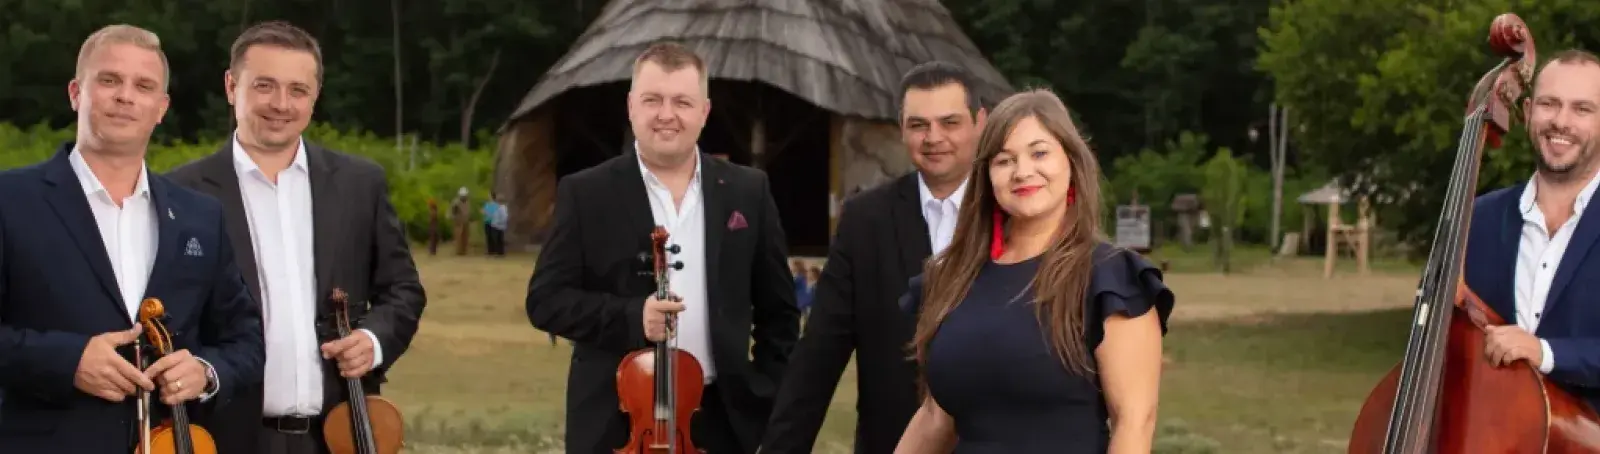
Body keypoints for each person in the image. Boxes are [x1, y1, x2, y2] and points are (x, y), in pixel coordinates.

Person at [0, 24, 266, 452]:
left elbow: (245, 338)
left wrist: (205, 371)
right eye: (109, 80)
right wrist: (67, 361)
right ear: (76, 93)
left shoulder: (201, 216)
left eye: (143, 86)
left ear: (161, 108)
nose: (125, 96)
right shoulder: (10, 200)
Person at [525, 40, 800, 454]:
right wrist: (632, 317)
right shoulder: (585, 193)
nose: (666, 115)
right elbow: (545, 302)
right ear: (631, 106)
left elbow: (779, 314)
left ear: (704, 111)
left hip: (722, 424)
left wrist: (764, 396)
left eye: (682, 102)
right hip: (616, 424)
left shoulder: (748, 191)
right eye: (652, 100)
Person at [166, 20, 427, 454]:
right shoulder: (178, 192)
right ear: (231, 86)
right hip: (225, 437)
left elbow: (403, 289)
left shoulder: (359, 184)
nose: (281, 104)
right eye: (264, 86)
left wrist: (373, 341)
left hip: (337, 436)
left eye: (298, 90)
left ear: (315, 95)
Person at [893, 89, 1174, 453]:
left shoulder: (1110, 280)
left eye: (1039, 153)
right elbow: (935, 416)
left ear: (1071, 161)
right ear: (987, 176)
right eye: (1004, 160)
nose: (1022, 172)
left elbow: (1134, 422)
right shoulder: (951, 279)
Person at [763, 61, 986, 454]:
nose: (933, 137)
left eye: (949, 123)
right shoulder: (865, 220)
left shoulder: (1013, 211)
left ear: (980, 123)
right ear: (901, 128)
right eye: (918, 125)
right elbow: (819, 356)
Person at [1462, 49, 1600, 413]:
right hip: (1491, 433)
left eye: (1582, 109)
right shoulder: (1478, 219)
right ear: (1527, 113)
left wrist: (1546, 353)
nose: (1561, 121)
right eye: (1549, 104)